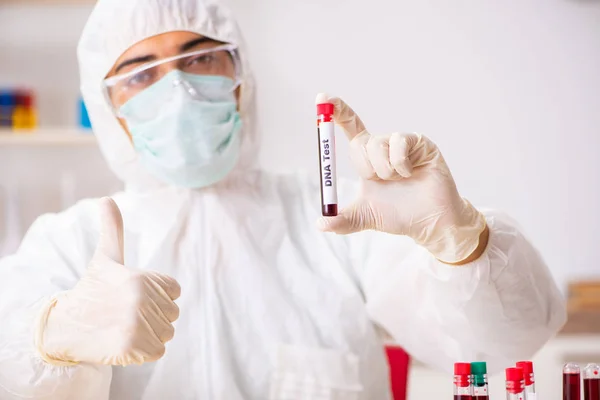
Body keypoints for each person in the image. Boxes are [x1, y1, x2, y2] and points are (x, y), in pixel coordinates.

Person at [0, 0, 566, 399]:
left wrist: (461, 242)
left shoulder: (337, 217)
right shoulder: (70, 243)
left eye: (200, 59)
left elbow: (505, 346)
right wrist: (52, 336)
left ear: (240, 75)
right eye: (140, 74)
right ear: (106, 107)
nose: (177, 89)